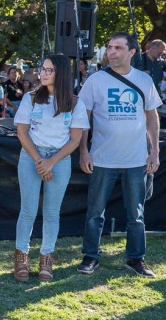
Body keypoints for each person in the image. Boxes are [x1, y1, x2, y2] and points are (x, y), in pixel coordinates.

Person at [77, 32, 161, 278]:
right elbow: (83, 119)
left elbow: (152, 117)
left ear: (132, 52)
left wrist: (154, 151)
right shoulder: (95, 81)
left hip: (136, 160)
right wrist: (83, 151)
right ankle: (91, 256)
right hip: (102, 159)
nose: (111, 52)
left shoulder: (144, 80)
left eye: (118, 48)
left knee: (136, 215)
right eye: (110, 47)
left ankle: (136, 259)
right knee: (95, 213)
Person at [13, 54, 89, 282]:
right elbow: (22, 132)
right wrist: (40, 161)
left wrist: (51, 161)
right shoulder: (31, 98)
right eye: (42, 69)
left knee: (52, 212)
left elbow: (75, 140)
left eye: (49, 70)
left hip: (60, 159)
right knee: (27, 210)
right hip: (31, 156)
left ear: (61, 73)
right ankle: (21, 257)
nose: (43, 73)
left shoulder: (75, 103)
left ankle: (46, 257)